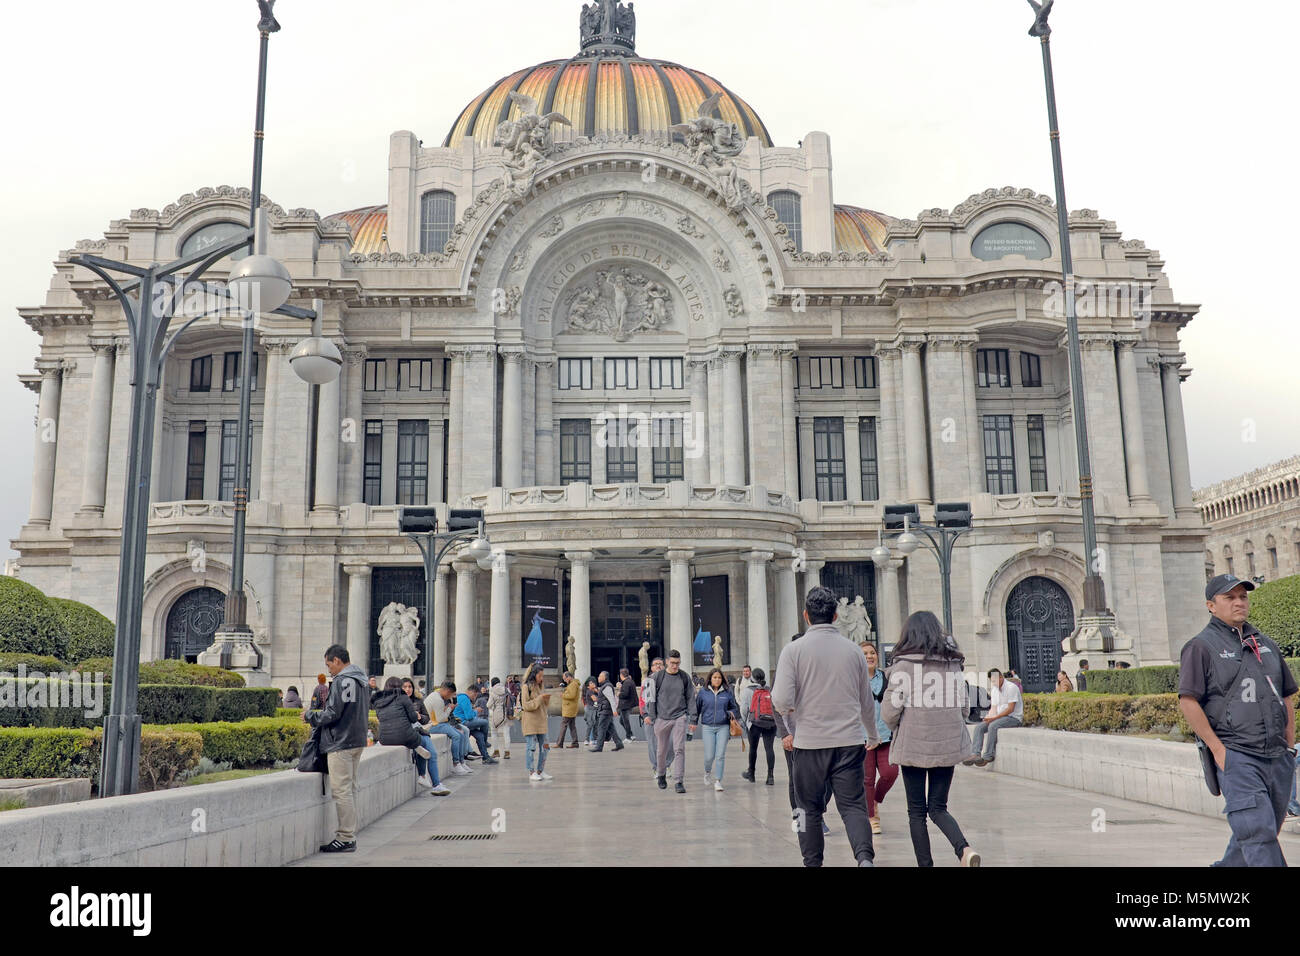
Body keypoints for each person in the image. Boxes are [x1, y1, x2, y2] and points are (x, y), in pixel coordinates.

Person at [1179, 574, 1298, 866]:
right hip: (1238, 755)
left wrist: (1289, 746)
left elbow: (1286, 696)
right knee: (1258, 833)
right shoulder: (1200, 647)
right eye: (1229, 598)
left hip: (1277, 756)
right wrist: (1220, 752)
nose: (1238, 602)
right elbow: (1188, 701)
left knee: (1258, 832)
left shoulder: (1266, 643)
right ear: (1211, 605)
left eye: (1242, 597)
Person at [771, 586, 878, 868]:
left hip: (809, 744)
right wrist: (873, 734)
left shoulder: (793, 650)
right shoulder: (854, 651)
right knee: (854, 806)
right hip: (849, 742)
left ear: (806, 615)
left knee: (807, 810)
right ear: (834, 616)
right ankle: (865, 858)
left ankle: (813, 862)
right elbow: (866, 701)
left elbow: (780, 699)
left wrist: (793, 710)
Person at [881, 612, 980, 867]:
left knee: (916, 812)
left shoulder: (902, 666)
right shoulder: (953, 663)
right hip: (946, 745)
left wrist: (898, 727)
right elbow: (965, 707)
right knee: (938, 807)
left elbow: (889, 712)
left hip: (913, 745)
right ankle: (964, 849)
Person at [303, 645, 371, 853]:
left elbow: (332, 713)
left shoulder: (342, 681)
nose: (328, 669)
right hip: (356, 740)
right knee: (349, 789)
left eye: (329, 664)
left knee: (342, 791)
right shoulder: (362, 681)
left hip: (340, 741)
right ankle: (349, 833)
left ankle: (346, 837)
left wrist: (310, 716)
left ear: (337, 661)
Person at [373, 677, 451, 796]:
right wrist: (414, 715)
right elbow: (412, 718)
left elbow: (425, 718)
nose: (407, 689)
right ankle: (432, 781)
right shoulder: (403, 698)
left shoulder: (380, 701)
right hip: (408, 733)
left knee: (423, 746)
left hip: (385, 737)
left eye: (409, 687)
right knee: (424, 745)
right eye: (404, 687)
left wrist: (420, 717)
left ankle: (426, 777)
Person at [861, 642, 899, 835]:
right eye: (865, 653)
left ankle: (875, 800)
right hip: (864, 738)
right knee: (867, 779)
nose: (869, 656)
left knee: (890, 772)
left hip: (885, 735)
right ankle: (871, 817)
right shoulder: (854, 679)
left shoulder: (886, 677)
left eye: (872, 653)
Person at [646, 650, 696, 793]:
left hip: (680, 716)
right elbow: (651, 699)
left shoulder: (684, 677)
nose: (675, 666)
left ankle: (679, 781)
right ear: (667, 661)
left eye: (677, 663)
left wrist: (693, 718)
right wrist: (652, 717)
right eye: (673, 663)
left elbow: (691, 698)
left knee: (679, 748)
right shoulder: (657, 677)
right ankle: (661, 774)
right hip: (661, 718)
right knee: (661, 751)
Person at [963, 668, 1022, 766]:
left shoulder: (1011, 688)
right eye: (992, 681)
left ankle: (988, 756)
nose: (994, 683)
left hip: (1013, 718)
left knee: (993, 726)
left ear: (1001, 677)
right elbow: (993, 708)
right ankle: (975, 754)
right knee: (979, 727)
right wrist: (989, 717)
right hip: (999, 717)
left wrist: (994, 718)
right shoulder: (995, 690)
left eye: (995, 681)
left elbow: (1010, 709)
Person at [695, 667, 739, 791]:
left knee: (720, 755)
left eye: (719, 677)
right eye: (714, 677)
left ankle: (718, 780)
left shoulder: (727, 692)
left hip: (723, 726)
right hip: (707, 727)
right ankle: (707, 772)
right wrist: (692, 722)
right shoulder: (703, 692)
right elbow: (696, 708)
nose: (717, 680)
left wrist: (730, 712)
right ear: (710, 679)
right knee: (709, 756)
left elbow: (734, 708)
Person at [426, 681, 474, 776]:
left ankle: (461, 761)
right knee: (456, 735)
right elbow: (441, 719)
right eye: (451, 695)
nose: (451, 697)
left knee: (461, 734)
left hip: (436, 723)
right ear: (447, 692)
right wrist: (449, 708)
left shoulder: (436, 695)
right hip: (432, 725)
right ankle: (455, 763)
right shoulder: (438, 700)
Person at [741, 668, 778, 785]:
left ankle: (751, 774)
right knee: (769, 749)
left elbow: (744, 709)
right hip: (770, 723)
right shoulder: (770, 689)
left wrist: (746, 721)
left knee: (753, 748)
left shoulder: (747, 690)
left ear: (752, 677)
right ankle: (770, 776)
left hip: (754, 723)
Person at [520, 663, 553, 781]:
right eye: (540, 676)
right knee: (531, 747)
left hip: (542, 721)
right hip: (530, 722)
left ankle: (540, 770)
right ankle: (531, 771)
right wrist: (540, 698)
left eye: (543, 676)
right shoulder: (526, 687)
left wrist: (546, 699)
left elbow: (543, 705)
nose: (542, 678)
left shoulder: (540, 686)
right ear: (534, 675)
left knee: (545, 747)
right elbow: (526, 705)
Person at [454, 684, 499, 764]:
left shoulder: (460, 697)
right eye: (475, 695)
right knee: (485, 722)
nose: (474, 698)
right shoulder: (465, 698)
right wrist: (476, 711)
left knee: (480, 736)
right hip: (463, 722)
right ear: (472, 692)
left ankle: (486, 758)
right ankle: (485, 743)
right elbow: (469, 716)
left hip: (463, 722)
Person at [592, 671, 626, 752]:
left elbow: (612, 699)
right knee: (611, 728)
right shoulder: (605, 686)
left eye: (600, 676)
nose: (598, 677)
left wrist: (614, 710)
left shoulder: (607, 687)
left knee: (601, 728)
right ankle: (619, 744)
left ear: (605, 677)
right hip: (605, 710)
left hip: (606, 711)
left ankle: (599, 747)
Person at [641, 658, 663, 779]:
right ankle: (656, 767)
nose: (658, 666)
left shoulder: (669, 680)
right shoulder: (647, 682)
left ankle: (667, 765)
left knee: (669, 743)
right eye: (656, 664)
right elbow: (642, 700)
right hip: (650, 717)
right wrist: (645, 715)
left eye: (660, 664)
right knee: (652, 744)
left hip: (666, 717)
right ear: (651, 668)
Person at [488, 677, 512, 759]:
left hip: (497, 713)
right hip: (507, 713)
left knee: (494, 732)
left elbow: (489, 704)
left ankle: (496, 751)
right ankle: (507, 752)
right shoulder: (506, 690)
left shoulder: (492, 691)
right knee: (506, 733)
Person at [557, 671, 582, 748]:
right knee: (572, 726)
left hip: (569, 708)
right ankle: (575, 743)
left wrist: (563, 695)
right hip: (571, 708)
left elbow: (572, 695)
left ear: (569, 677)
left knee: (563, 725)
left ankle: (559, 743)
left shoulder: (573, 684)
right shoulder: (572, 684)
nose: (564, 680)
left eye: (565, 678)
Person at [617, 668, 638, 742]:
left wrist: (619, 693)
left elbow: (625, 694)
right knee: (622, 721)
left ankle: (628, 737)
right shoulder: (629, 681)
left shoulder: (626, 682)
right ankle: (631, 735)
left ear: (621, 675)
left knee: (625, 721)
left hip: (625, 705)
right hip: (628, 704)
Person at [583, 677, 600, 748]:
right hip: (590, 709)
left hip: (595, 709)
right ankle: (586, 739)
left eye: (593, 683)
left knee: (596, 724)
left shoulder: (595, 691)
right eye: (590, 683)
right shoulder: (589, 691)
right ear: (588, 686)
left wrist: (597, 692)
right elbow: (595, 699)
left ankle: (595, 739)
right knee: (590, 724)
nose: (593, 684)